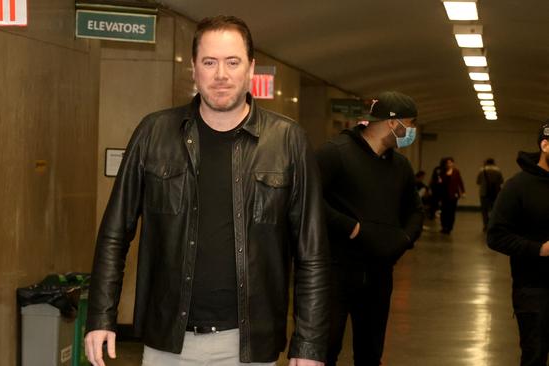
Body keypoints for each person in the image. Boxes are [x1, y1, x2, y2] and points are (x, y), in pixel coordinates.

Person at [84, 15, 332, 366]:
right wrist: (100, 316)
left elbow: (312, 253)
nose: (221, 75)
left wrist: (309, 345)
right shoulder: (154, 133)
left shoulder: (288, 141)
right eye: (209, 62)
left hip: (248, 346)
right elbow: (114, 233)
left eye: (233, 62)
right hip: (167, 343)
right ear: (194, 69)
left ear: (251, 68)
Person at [316, 91, 424, 366]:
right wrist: (351, 228)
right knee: (324, 348)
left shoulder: (400, 166)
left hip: (378, 274)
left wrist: (404, 239)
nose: (411, 131)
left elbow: (414, 211)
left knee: (370, 352)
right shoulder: (335, 153)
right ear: (393, 123)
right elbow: (308, 201)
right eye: (410, 124)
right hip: (335, 272)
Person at [487, 123, 549, 366]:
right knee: (535, 354)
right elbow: (496, 235)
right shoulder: (518, 186)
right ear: (544, 145)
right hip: (534, 289)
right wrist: (539, 249)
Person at [476, 158, 504, 231]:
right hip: (495, 193)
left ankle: (486, 225)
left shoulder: (482, 170)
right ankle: (493, 225)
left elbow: (478, 182)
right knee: (494, 210)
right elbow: (501, 181)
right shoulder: (498, 170)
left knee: (484, 210)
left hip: (484, 193)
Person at [439, 157, 465, 234]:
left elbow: (460, 182)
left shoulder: (456, 172)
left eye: (451, 162)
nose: (449, 164)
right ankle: (444, 226)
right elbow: (440, 183)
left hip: (453, 195)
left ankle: (449, 227)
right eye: (448, 163)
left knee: (451, 212)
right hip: (444, 194)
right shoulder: (442, 172)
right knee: (444, 212)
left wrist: (463, 192)